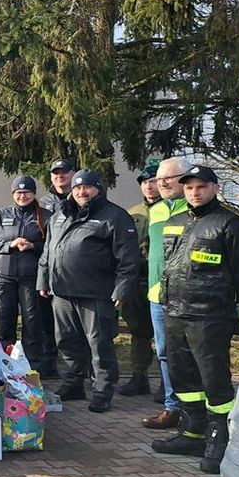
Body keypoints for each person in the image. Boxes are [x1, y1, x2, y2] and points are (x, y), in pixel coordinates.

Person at [151, 165, 239, 474]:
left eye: (201, 187)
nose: (194, 192)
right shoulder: (175, 222)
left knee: (214, 381)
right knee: (184, 378)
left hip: (210, 318)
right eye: (189, 188)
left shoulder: (232, 225)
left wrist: (217, 301)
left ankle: (218, 439)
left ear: (215, 188)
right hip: (176, 314)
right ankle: (192, 431)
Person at [37, 169, 139, 413]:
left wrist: (122, 289)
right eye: (77, 188)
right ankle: (73, 383)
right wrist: (43, 280)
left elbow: (128, 259)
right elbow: (47, 251)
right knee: (67, 341)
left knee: (99, 343)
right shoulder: (60, 214)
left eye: (87, 187)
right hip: (61, 291)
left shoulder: (115, 216)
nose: (82, 192)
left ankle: (102, 390)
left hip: (96, 293)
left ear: (98, 189)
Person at [0, 176, 53, 374]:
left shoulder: (45, 216)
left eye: (27, 192)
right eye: (19, 192)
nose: (23, 196)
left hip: (31, 279)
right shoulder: (1, 215)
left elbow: (52, 247)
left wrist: (32, 246)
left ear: (33, 194)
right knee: (4, 322)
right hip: (3, 278)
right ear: (13, 194)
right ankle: (3, 367)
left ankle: (31, 369)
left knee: (32, 323)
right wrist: (8, 245)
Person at [142, 156, 192, 429]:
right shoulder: (158, 210)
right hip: (156, 295)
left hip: (185, 296)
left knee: (190, 353)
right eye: (159, 179)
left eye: (167, 179)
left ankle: (194, 410)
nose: (161, 183)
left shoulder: (194, 207)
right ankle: (172, 407)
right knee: (164, 353)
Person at [117, 164, 159, 397]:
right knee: (138, 331)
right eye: (145, 183)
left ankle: (167, 381)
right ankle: (139, 376)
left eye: (153, 181)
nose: (149, 186)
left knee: (166, 335)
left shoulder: (172, 211)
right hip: (136, 279)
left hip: (161, 279)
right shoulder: (132, 213)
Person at [36, 158, 76, 378]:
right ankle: (49, 363)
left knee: (75, 326)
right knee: (46, 322)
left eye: (64, 172)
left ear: (73, 174)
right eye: (56, 173)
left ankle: (80, 370)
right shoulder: (42, 204)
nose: (60, 176)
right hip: (48, 270)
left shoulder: (81, 197)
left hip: (74, 273)